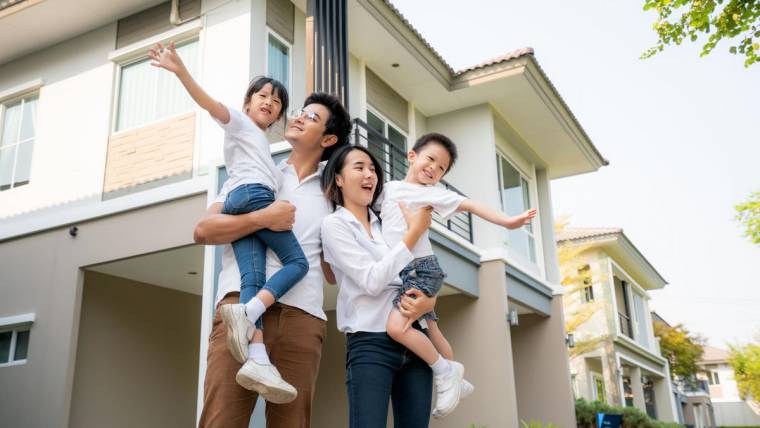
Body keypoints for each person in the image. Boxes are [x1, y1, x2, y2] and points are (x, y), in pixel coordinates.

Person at [150, 41, 306, 402]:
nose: (269, 101)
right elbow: (209, 103)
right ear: (248, 103)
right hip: (253, 196)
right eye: (262, 95)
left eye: (277, 100)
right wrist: (180, 71)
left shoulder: (261, 145)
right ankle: (250, 311)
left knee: (254, 277)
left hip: (239, 199)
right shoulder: (240, 124)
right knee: (297, 262)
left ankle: (257, 356)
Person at [193, 93, 355, 428]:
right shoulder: (258, 171)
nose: (297, 117)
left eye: (310, 116)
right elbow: (203, 230)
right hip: (239, 308)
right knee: (220, 421)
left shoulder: (336, 192)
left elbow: (332, 271)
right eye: (299, 112)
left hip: (302, 319)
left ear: (328, 139)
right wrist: (263, 217)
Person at [377, 132, 536, 417]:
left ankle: (446, 372)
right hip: (409, 269)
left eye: (441, 169)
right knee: (431, 329)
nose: (433, 169)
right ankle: (457, 381)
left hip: (420, 269)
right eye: (430, 160)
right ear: (412, 155)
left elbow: (472, 205)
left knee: (396, 328)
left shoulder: (433, 194)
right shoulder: (388, 188)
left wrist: (509, 222)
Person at [320, 145, 446, 428]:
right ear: (338, 178)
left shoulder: (388, 221)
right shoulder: (334, 226)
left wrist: (430, 302)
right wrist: (413, 233)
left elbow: (419, 271)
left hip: (413, 339)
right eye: (359, 167)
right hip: (370, 344)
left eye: (373, 169)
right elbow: (372, 281)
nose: (369, 175)